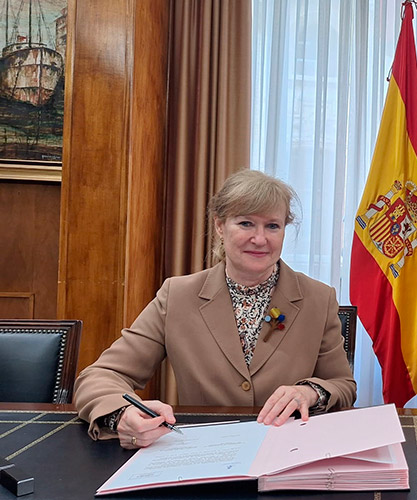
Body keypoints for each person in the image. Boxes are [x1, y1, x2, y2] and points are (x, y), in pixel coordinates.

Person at [74, 170, 356, 448]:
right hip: (203, 454)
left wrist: (309, 392)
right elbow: (99, 377)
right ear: (220, 226)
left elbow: (342, 384)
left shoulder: (318, 298)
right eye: (246, 223)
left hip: (289, 451)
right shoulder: (178, 296)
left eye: (272, 226)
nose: (260, 239)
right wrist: (122, 414)